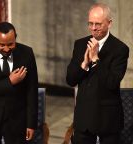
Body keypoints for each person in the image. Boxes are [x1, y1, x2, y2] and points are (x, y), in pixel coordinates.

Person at [66, 3, 129, 144]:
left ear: (109, 23)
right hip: (84, 119)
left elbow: (112, 83)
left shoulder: (120, 49)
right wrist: (84, 65)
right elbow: (70, 80)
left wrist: (95, 59)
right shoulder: (80, 44)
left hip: (107, 119)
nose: (93, 28)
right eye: (90, 23)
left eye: (98, 24)